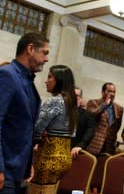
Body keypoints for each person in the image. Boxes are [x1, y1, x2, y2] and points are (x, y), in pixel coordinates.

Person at [0, 32, 49, 194]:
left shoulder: (27, 80)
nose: (47, 59)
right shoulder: (7, 74)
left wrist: (28, 164)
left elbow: (22, 127)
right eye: (45, 53)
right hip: (5, 170)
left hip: (18, 171)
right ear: (30, 49)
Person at [29, 65, 78, 194]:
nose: (46, 80)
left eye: (50, 77)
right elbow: (72, 132)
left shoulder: (54, 101)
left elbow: (36, 129)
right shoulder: (71, 103)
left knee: (35, 190)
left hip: (48, 156)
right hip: (63, 158)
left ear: (60, 80)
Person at [86, 83, 123, 155]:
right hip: (94, 144)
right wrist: (105, 104)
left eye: (113, 92)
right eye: (109, 91)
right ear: (103, 92)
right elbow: (92, 116)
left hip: (109, 147)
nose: (112, 94)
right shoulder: (93, 103)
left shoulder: (119, 108)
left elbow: (117, 127)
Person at [71, 88, 96, 158]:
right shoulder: (61, 111)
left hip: (75, 152)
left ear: (81, 98)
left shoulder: (87, 115)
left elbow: (90, 131)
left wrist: (80, 145)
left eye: (76, 95)